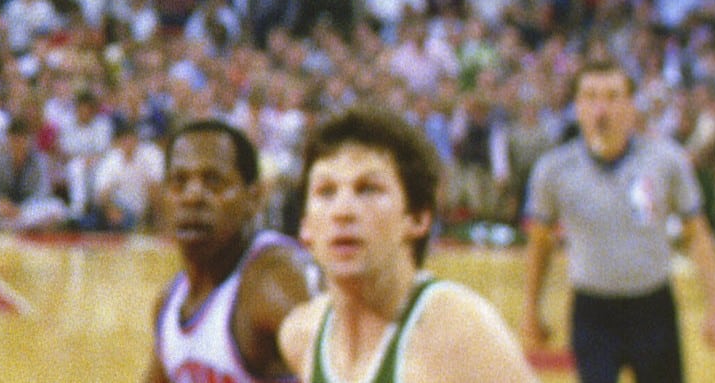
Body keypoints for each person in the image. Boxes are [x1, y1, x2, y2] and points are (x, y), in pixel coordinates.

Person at [277, 108, 533, 383]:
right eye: (326, 191)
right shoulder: (300, 335)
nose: (343, 211)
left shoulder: (458, 331)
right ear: (305, 226)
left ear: (418, 217)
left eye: (368, 189)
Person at [523, 55, 715, 383]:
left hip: (653, 310)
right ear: (576, 106)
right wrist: (531, 309)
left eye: (612, 96)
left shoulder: (666, 161)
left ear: (631, 105)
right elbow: (540, 242)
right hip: (592, 313)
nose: (601, 108)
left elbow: (697, 233)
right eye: (590, 97)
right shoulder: (553, 170)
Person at [143, 118, 313, 383]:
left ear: (253, 198)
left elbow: (350, 368)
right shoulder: (169, 302)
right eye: (179, 182)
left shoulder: (274, 280)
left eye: (213, 182)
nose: (192, 196)